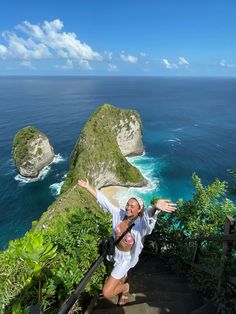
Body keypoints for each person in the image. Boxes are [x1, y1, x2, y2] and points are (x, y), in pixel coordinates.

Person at [77, 179, 177, 305]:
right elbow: (104, 201)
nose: (128, 207)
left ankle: (125, 288)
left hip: (126, 258)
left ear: (139, 210)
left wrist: (155, 207)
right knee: (120, 275)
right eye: (127, 204)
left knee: (107, 292)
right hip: (115, 252)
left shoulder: (140, 225)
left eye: (132, 206)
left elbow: (148, 217)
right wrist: (87, 187)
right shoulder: (119, 213)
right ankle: (122, 283)